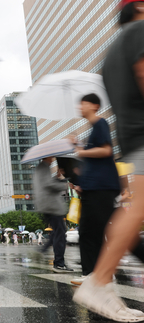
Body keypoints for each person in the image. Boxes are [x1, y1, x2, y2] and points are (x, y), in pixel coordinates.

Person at [73, 1, 144, 321]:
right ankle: (99, 280)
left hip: (132, 141)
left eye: (82, 105)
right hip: (139, 139)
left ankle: (98, 279)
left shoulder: (111, 51)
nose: (80, 108)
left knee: (127, 214)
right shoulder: (140, 31)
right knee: (135, 211)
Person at [68, 94, 121, 286]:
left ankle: (97, 273)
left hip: (102, 187)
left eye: (83, 104)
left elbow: (107, 151)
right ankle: (95, 273)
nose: (80, 107)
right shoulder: (93, 130)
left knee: (93, 232)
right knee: (92, 232)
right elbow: (94, 160)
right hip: (95, 187)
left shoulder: (100, 123)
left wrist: (81, 151)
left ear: (94, 105)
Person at [34, 157, 74, 272]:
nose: (53, 158)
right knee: (60, 234)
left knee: (57, 233)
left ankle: (44, 251)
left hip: (48, 205)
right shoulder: (43, 167)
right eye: (51, 157)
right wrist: (62, 183)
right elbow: (47, 185)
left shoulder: (42, 168)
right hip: (51, 206)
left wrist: (56, 178)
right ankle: (59, 263)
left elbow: (47, 183)